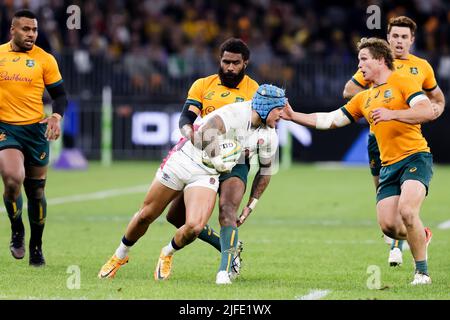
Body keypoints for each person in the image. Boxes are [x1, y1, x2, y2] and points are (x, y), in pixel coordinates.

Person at [281, 37, 439, 285]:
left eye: (363, 60)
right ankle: (423, 233)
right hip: (388, 166)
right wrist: (293, 116)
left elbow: (427, 111)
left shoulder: (403, 81)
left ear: (379, 60)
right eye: (358, 60)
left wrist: (392, 114)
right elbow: (330, 119)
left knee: (408, 211)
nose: (360, 66)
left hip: (415, 156)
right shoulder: (363, 98)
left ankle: (422, 273)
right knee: (389, 226)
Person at [98, 84, 286, 284]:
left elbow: (266, 171)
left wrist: (251, 205)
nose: (282, 115)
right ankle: (120, 254)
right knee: (146, 215)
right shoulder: (236, 112)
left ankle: (167, 253)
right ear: (265, 107)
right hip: (186, 158)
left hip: (207, 173)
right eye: (279, 109)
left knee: (194, 227)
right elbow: (204, 134)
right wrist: (219, 159)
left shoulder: (269, 136)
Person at [342, 16, 445, 267]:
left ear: (412, 40)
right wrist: (376, 98)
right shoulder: (376, 63)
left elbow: (437, 98)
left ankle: (400, 248)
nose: (399, 41)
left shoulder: (422, 67)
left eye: (404, 37)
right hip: (378, 138)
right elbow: (349, 92)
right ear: (388, 39)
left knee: (407, 203)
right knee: (383, 194)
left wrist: (434, 111)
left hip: (407, 135)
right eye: (395, 36)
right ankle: (396, 238)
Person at [167, 38, 260, 280]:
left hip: (236, 160)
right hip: (202, 160)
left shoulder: (254, 91)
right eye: (226, 61)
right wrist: (189, 133)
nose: (229, 67)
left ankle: (224, 272)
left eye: (235, 63)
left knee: (227, 210)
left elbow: (260, 128)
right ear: (220, 60)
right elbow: (186, 117)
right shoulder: (203, 85)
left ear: (245, 63)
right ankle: (227, 248)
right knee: (175, 218)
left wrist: (250, 147)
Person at [0, 10, 68, 266]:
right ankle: (17, 228)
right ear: (13, 30)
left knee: (36, 192)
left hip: (35, 131)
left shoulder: (45, 59)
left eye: (34, 30)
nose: (31, 34)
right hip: (6, 128)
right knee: (12, 178)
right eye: (25, 29)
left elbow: (60, 96)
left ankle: (36, 245)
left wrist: (56, 117)